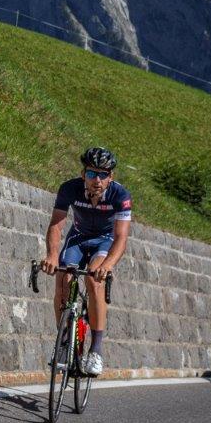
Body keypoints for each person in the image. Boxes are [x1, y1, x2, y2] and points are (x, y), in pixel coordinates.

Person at [40, 147, 131, 376]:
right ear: (83, 174)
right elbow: (57, 225)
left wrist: (107, 265)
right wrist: (52, 255)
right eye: (92, 174)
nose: (97, 180)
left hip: (105, 241)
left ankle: (96, 350)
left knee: (94, 279)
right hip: (79, 237)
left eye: (103, 174)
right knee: (64, 277)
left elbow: (121, 238)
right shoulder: (69, 188)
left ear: (111, 177)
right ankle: (63, 343)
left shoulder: (120, 196)